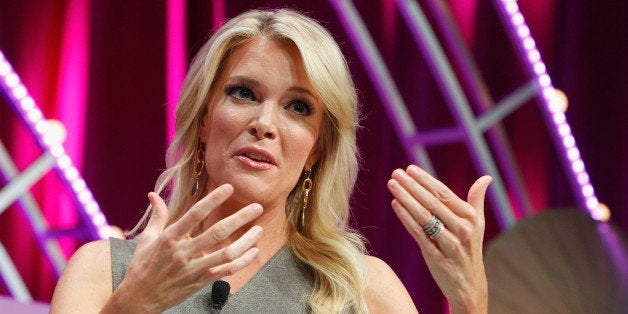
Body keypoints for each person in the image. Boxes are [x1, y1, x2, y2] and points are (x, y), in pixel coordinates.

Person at [50, 9, 491, 313]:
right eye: (243, 93)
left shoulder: (360, 289)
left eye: (298, 107)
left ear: (316, 148)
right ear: (204, 119)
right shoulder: (102, 270)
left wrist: (470, 299)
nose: (265, 123)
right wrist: (134, 307)